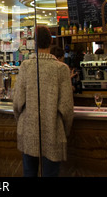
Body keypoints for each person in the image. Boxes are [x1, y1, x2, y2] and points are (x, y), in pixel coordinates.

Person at [13, 26, 74, 177]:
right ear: (51, 41)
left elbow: (17, 102)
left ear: (34, 42)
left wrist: (21, 122)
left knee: (29, 172)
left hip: (28, 129)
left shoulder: (25, 66)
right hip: (53, 130)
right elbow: (66, 108)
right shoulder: (61, 69)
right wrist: (64, 131)